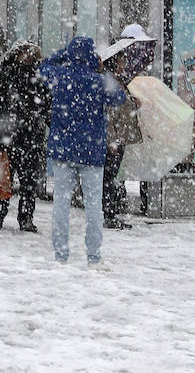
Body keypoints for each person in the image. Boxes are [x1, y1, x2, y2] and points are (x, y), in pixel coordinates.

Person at [41, 36, 128, 267]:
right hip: (92, 153)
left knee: (61, 204)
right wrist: (103, 69)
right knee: (93, 207)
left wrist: (62, 55)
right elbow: (120, 98)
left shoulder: (59, 76)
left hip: (63, 151)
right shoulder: (98, 81)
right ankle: (94, 257)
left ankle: (61, 256)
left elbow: (42, 67)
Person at [0, 41, 50, 232]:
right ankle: (1, 215)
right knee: (4, 179)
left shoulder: (36, 77)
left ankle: (23, 217)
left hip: (26, 136)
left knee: (26, 181)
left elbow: (45, 105)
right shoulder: (3, 74)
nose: (29, 57)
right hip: (8, 135)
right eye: (26, 53)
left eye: (32, 54)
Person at [104, 23, 156, 227]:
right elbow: (108, 114)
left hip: (119, 137)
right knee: (109, 177)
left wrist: (131, 101)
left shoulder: (118, 81)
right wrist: (112, 140)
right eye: (123, 59)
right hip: (114, 139)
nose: (126, 62)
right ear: (116, 61)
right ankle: (108, 215)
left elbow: (119, 106)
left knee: (112, 176)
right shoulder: (110, 83)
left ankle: (110, 213)